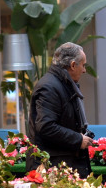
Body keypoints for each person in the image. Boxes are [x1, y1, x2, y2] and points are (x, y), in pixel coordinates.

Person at [27, 42, 94, 178]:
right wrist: (77, 139)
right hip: (52, 166)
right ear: (73, 65)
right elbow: (46, 126)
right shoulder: (50, 87)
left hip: (61, 163)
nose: (84, 70)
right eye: (83, 65)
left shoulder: (62, 83)